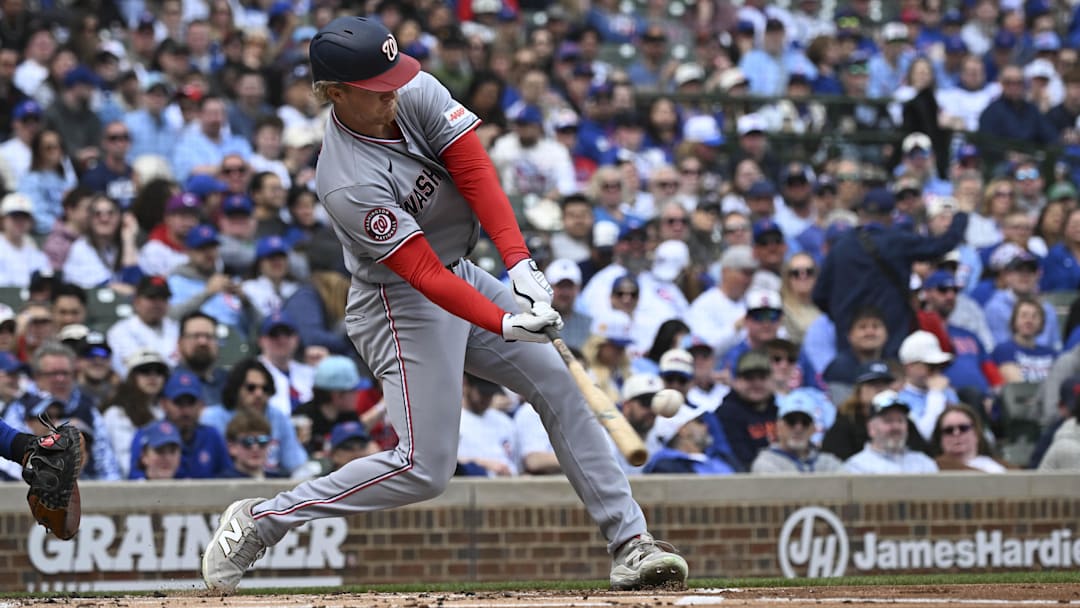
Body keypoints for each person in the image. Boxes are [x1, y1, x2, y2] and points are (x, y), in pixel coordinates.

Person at [202, 17, 687, 594]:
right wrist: (505, 320)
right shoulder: (345, 180)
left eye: (394, 75)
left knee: (558, 383)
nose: (394, 90)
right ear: (336, 94)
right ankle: (260, 521)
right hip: (399, 301)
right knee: (424, 469)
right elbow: (424, 276)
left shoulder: (413, 91)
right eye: (377, 86)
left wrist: (520, 265)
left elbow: (475, 171)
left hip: (462, 270)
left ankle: (632, 543)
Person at [814, 187, 968, 359]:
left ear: (862, 213)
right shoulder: (897, 241)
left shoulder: (841, 246)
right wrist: (962, 214)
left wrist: (843, 316)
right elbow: (941, 245)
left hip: (851, 343)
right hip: (892, 341)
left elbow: (819, 296)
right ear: (891, 215)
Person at [128, 370, 231, 479]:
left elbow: (228, 478)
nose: (186, 410)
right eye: (178, 402)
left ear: (201, 405)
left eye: (191, 402)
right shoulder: (147, 434)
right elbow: (134, 479)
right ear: (163, 404)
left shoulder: (212, 436)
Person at [101, 349, 167, 479]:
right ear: (131, 377)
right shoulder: (116, 414)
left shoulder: (165, 410)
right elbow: (125, 462)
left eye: (159, 371)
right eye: (145, 371)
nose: (153, 376)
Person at [844, 390, 939, 474]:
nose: (896, 427)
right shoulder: (856, 467)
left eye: (900, 420)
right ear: (871, 428)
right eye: (888, 420)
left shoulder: (924, 464)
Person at [751, 390, 844, 473]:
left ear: (814, 429)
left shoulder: (828, 463)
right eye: (791, 421)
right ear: (778, 427)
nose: (798, 428)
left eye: (805, 422)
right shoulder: (767, 462)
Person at [292, 355, 364, 456]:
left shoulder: (349, 414)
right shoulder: (302, 418)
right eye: (353, 390)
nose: (357, 394)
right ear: (337, 395)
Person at [931, 403, 1011, 472]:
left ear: (976, 432)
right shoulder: (932, 468)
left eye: (963, 428)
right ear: (940, 437)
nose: (956, 433)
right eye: (949, 430)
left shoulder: (1001, 465)